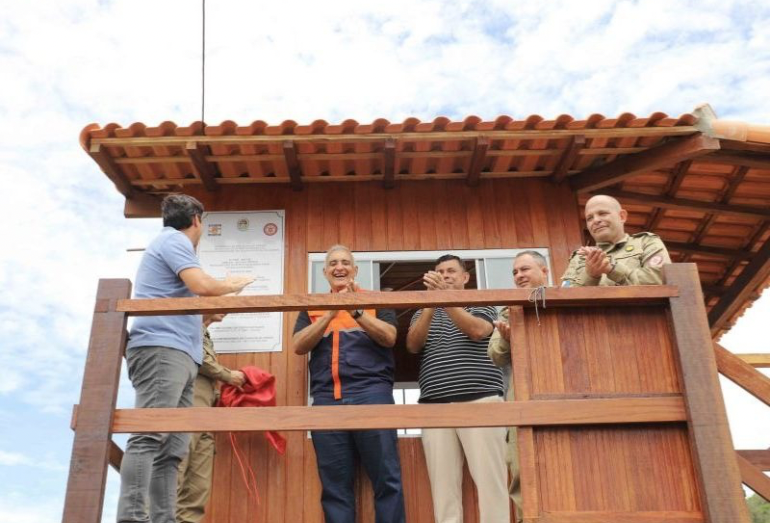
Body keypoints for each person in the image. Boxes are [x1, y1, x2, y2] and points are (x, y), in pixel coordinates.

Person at [117, 194, 254, 523]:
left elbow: (191, 296)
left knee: (173, 448)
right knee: (150, 434)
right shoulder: (175, 241)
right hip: (162, 349)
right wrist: (228, 286)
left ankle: (163, 519)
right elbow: (201, 285)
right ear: (196, 219)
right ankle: (133, 517)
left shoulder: (170, 243)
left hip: (180, 354)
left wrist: (208, 312)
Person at [292, 245, 405, 523]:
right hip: (327, 399)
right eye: (333, 263)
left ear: (355, 270)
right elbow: (298, 345)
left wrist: (356, 312)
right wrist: (330, 312)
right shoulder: (312, 306)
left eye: (345, 262)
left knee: (387, 480)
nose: (339, 267)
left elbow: (389, 337)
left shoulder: (376, 300)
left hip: (372, 396)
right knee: (334, 487)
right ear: (325, 272)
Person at [406, 254, 510, 523]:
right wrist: (431, 304)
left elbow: (477, 331)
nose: (445, 275)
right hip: (434, 406)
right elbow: (413, 345)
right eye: (439, 271)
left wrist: (444, 299)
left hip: (481, 401)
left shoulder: (481, 302)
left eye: (451, 271)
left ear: (465, 278)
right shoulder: (421, 311)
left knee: (491, 483)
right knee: (443, 490)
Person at [487, 250, 550, 523]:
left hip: (557, 394)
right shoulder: (507, 309)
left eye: (524, 269)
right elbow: (495, 356)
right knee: (521, 468)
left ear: (544, 271)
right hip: (520, 399)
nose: (519, 276)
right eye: (515, 272)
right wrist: (507, 339)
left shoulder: (566, 299)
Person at [176, 314, 246, 523]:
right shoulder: (186, 322)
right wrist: (227, 375)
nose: (225, 310)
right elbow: (196, 355)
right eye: (220, 302)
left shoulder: (205, 332)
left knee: (198, 486)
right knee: (175, 472)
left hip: (206, 413)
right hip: (186, 409)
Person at [561, 194, 671, 287]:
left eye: (602, 213)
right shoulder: (580, 257)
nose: (596, 220)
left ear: (622, 216)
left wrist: (612, 269)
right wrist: (590, 276)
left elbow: (658, 281)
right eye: (589, 218)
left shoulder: (645, 242)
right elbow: (565, 297)